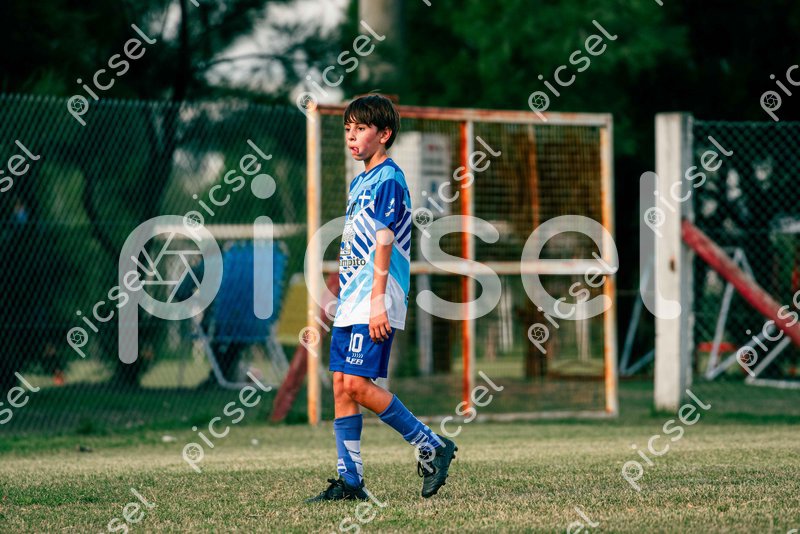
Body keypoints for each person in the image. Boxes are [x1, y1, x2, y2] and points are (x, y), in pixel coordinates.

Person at [307, 95, 457, 502]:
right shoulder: (360, 181)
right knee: (342, 385)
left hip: (377, 295)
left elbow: (385, 239)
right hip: (353, 298)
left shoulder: (388, 177)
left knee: (357, 384)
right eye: (348, 129)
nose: (351, 137)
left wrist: (377, 302)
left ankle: (431, 445)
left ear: (384, 133)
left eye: (361, 129)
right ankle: (350, 482)